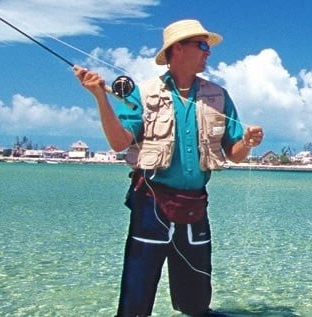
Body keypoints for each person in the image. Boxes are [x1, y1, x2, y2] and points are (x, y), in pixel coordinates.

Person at [74, 19, 263, 317]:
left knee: (197, 303)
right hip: (151, 203)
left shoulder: (219, 96)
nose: (208, 53)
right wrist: (100, 98)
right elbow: (118, 141)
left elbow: (234, 153)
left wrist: (249, 142)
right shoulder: (144, 93)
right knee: (136, 297)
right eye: (202, 45)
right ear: (177, 49)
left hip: (195, 205)